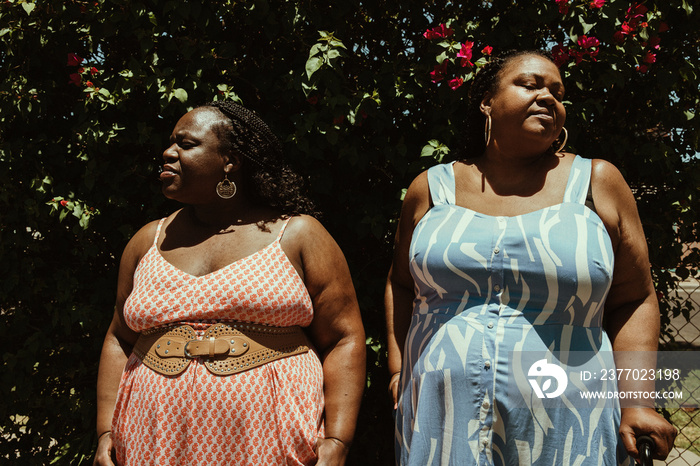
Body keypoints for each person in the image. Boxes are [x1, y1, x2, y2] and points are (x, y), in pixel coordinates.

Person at [385, 50, 677, 465]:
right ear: (487, 100)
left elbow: (635, 299)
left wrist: (636, 402)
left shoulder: (597, 183)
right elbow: (400, 282)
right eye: (531, 84)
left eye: (557, 92)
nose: (549, 98)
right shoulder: (430, 189)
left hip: (569, 419)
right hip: (442, 416)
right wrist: (399, 370)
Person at [93, 101, 366, 466]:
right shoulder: (148, 240)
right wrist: (106, 432)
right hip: (150, 437)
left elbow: (344, 337)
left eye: (186, 144)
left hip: (266, 438)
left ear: (230, 161)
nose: (168, 152)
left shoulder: (298, 234)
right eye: (170, 142)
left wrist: (337, 440)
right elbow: (118, 338)